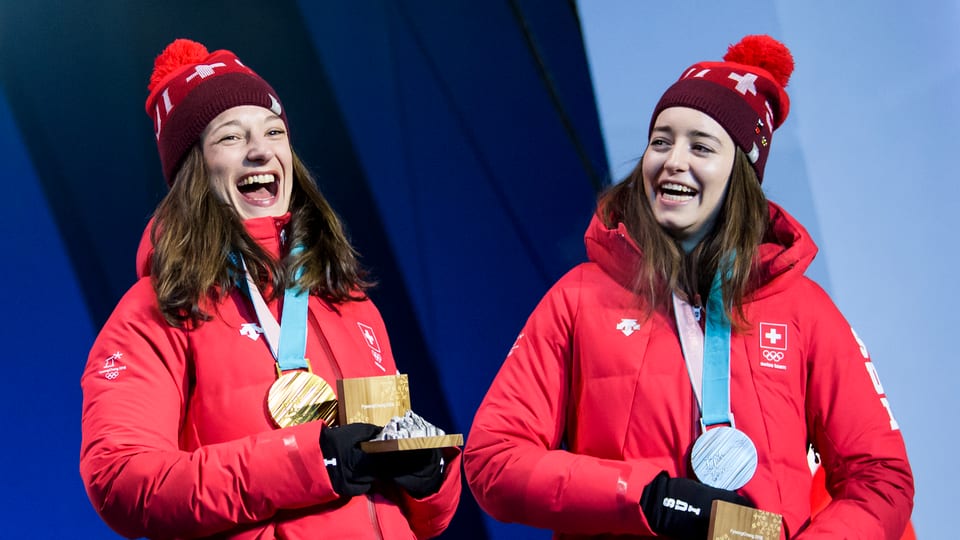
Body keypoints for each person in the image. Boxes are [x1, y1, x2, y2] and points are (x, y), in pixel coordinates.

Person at [463, 34, 913, 539]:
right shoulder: (579, 298)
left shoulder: (803, 309)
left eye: (701, 146)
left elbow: (881, 478)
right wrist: (644, 497)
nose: (673, 160)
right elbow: (492, 459)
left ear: (740, 175)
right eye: (661, 141)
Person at [80, 38, 460, 539]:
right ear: (195, 169)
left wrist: (430, 479)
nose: (261, 150)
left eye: (274, 131)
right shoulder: (154, 310)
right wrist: (310, 464)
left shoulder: (348, 301)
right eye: (232, 138)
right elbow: (121, 480)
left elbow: (417, 517)